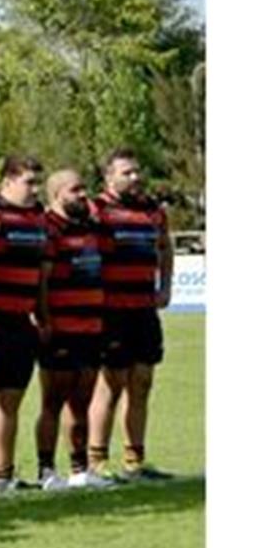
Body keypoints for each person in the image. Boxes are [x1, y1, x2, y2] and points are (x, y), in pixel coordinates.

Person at [87, 149, 175, 481]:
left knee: (142, 382)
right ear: (108, 177)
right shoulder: (97, 209)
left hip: (144, 311)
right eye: (126, 172)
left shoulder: (152, 210)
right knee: (110, 384)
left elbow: (164, 248)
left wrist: (166, 287)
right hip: (111, 311)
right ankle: (97, 462)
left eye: (137, 171)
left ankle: (135, 461)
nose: (135, 178)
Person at [0, 157, 52, 492]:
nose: (35, 190)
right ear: (7, 180)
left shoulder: (37, 214)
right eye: (29, 182)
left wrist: (42, 314)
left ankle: (3, 476)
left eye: (38, 182)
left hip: (22, 320)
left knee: (10, 401)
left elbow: (40, 271)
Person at [36, 169, 108, 489]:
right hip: (61, 328)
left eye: (84, 189)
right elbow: (43, 280)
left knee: (82, 402)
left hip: (92, 326)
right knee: (53, 401)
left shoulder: (90, 226)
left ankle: (79, 470)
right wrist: (45, 320)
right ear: (56, 195)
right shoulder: (49, 228)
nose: (83, 195)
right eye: (75, 190)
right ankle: (47, 470)